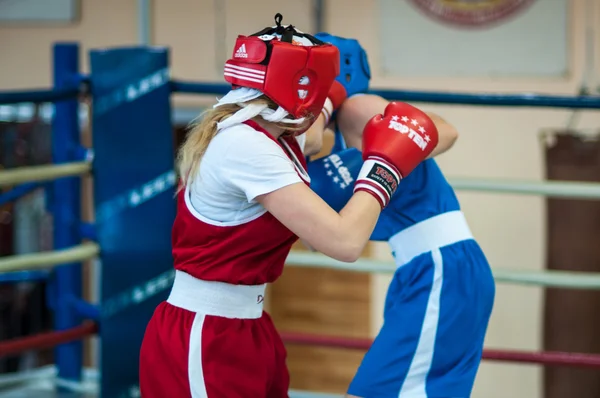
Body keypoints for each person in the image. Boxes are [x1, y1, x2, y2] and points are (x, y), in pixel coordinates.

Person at [138, 14, 439, 398]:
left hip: (248, 324)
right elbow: (345, 242)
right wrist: (385, 168)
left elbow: (310, 140)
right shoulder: (245, 147)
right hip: (206, 333)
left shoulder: (258, 126)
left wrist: (331, 98)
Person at [309, 33, 496, 398]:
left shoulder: (358, 107)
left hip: (441, 267)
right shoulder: (342, 130)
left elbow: (446, 131)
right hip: (426, 268)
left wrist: (388, 150)